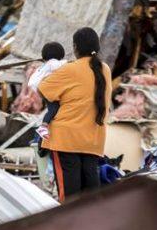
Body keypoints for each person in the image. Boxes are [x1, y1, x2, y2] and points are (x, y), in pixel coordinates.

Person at [38, 27, 111, 201]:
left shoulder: (70, 69)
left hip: (66, 139)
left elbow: (43, 89)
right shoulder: (105, 69)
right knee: (90, 193)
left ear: (76, 47)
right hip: (93, 139)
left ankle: (69, 226)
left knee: (69, 194)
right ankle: (89, 226)